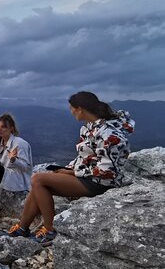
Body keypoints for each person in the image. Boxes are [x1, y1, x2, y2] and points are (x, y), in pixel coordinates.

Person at [7, 91, 135, 245]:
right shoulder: (90, 128)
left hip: (100, 183)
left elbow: (107, 171)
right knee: (38, 183)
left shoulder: (108, 134)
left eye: (72, 108)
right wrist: (68, 169)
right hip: (89, 176)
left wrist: (75, 172)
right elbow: (85, 158)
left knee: (38, 179)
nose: (71, 111)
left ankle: (50, 230)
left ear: (80, 109)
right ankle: (22, 228)